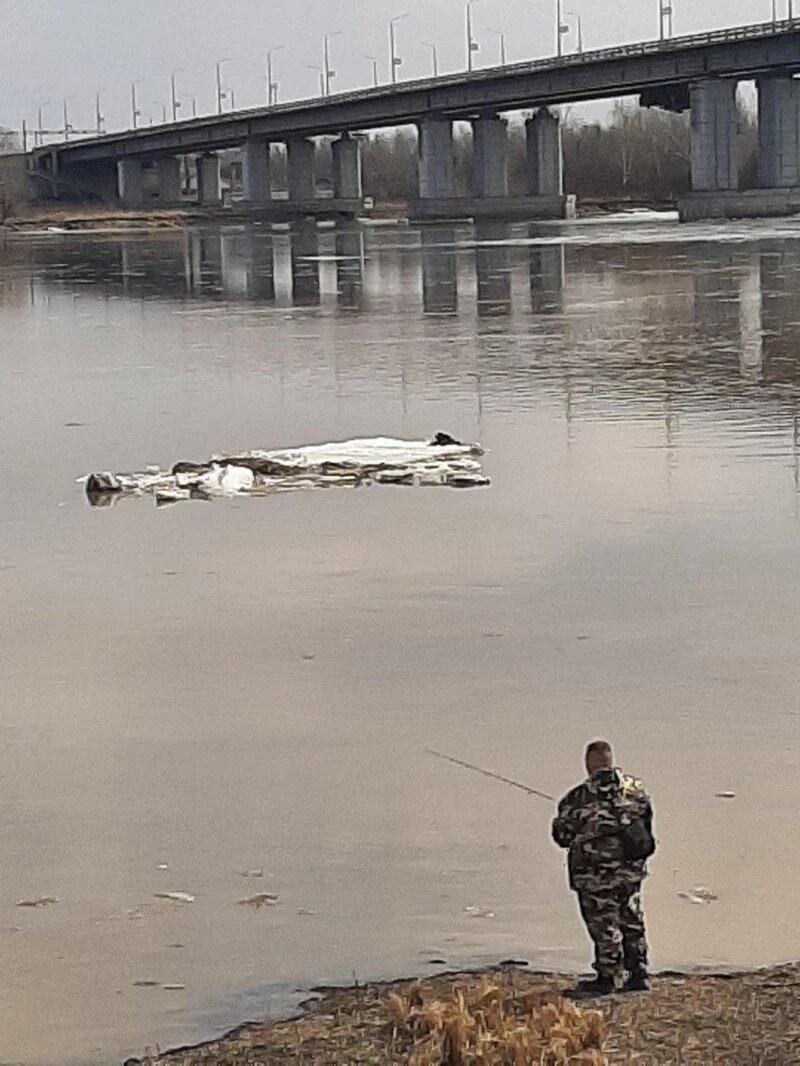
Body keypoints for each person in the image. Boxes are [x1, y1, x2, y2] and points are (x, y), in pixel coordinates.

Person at [551, 740, 654, 995]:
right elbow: (647, 824)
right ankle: (638, 972)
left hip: (594, 873)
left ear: (588, 764)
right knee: (631, 917)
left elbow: (562, 837)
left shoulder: (576, 798)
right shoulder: (636, 790)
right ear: (611, 761)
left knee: (603, 923)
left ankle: (608, 976)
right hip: (630, 869)